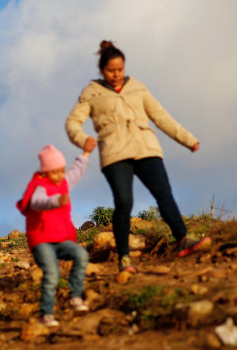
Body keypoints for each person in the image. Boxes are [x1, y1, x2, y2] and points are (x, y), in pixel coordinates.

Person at [65, 40, 211, 274]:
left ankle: (183, 239)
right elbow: (72, 123)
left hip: (146, 147)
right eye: (111, 70)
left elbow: (161, 116)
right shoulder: (92, 92)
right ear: (102, 69)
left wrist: (188, 139)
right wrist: (83, 140)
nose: (116, 74)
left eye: (120, 69)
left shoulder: (138, 87)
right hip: (114, 153)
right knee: (124, 202)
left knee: (163, 193)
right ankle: (124, 259)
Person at [16, 144, 95, 327]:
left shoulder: (64, 182)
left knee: (81, 255)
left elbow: (76, 171)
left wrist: (86, 153)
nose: (60, 175)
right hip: (41, 241)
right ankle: (46, 313)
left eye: (62, 171)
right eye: (55, 172)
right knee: (52, 273)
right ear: (45, 173)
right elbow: (37, 202)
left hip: (61, 239)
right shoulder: (40, 186)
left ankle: (75, 297)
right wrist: (56, 200)